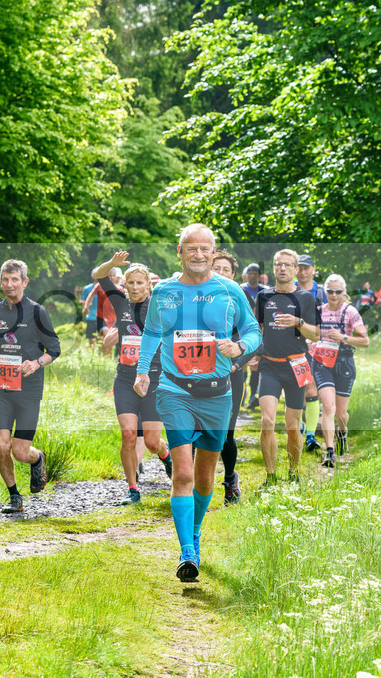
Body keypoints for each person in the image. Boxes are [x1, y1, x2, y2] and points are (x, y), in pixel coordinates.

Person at [134, 224, 261, 582]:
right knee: (184, 473)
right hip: (175, 390)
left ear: (214, 250)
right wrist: (143, 371)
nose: (199, 255)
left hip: (218, 393)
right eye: (192, 249)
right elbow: (153, 332)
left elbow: (253, 331)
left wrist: (240, 347)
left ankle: (195, 533)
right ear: (180, 251)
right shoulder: (165, 291)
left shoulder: (229, 289)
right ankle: (187, 552)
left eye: (206, 249)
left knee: (206, 478)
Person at [0, 259, 61, 514]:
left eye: (14, 280)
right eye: (5, 280)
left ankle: (38, 458)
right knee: (1, 445)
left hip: (29, 390)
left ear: (24, 282)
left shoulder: (37, 312)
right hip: (1, 388)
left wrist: (37, 363)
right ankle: (14, 496)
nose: (9, 284)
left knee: (20, 451)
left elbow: (54, 349)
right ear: (0, 281)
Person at [91, 251, 172, 505]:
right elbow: (99, 275)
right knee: (128, 435)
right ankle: (132, 488)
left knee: (150, 441)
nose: (135, 287)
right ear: (124, 285)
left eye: (140, 283)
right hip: (125, 378)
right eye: (131, 283)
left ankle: (165, 455)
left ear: (149, 285)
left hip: (153, 379)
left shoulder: (158, 307)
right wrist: (112, 264)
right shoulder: (121, 304)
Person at [255, 249, 321, 486]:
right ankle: (271, 476)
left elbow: (316, 333)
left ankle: (294, 473)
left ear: (295, 269)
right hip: (269, 366)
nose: (282, 269)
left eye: (287, 265)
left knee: (293, 427)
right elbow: (258, 329)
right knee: (267, 421)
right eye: (278, 264)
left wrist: (298, 322)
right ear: (273, 269)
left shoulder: (305, 298)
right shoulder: (264, 297)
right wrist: (253, 353)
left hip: (296, 365)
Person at [211, 250, 259, 504]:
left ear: (233, 275)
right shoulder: (196, 295)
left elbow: (255, 337)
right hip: (198, 371)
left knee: (225, 433)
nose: (219, 273)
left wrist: (236, 362)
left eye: (225, 269)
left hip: (231, 372)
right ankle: (196, 486)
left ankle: (230, 479)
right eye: (215, 268)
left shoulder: (238, 297)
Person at [312, 274, 370, 467]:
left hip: (344, 362)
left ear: (343, 292)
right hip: (322, 362)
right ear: (324, 291)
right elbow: (311, 335)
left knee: (341, 414)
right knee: (328, 407)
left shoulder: (351, 312)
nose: (334, 295)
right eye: (330, 291)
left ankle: (342, 433)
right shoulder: (318, 311)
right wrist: (311, 343)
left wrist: (343, 337)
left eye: (338, 291)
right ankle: (329, 452)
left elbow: (365, 341)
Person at [295, 255, 328, 453]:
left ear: (313, 269)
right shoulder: (289, 289)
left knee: (311, 387)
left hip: (318, 346)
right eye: (299, 267)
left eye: (306, 268)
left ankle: (310, 434)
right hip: (294, 345)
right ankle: (298, 427)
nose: (302, 271)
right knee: (294, 387)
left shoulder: (322, 292)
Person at [240, 263, 269, 409]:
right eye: (249, 273)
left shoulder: (265, 291)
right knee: (242, 364)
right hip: (241, 330)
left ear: (259, 276)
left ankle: (253, 396)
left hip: (258, 329)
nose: (252, 276)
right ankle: (243, 395)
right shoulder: (241, 289)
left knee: (255, 365)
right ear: (245, 275)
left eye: (255, 274)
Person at [81, 277, 103, 346]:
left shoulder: (105, 288)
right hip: (91, 316)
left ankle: (101, 353)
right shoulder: (87, 288)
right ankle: (92, 352)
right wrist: (86, 304)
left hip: (102, 317)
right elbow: (81, 300)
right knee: (91, 336)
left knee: (101, 336)